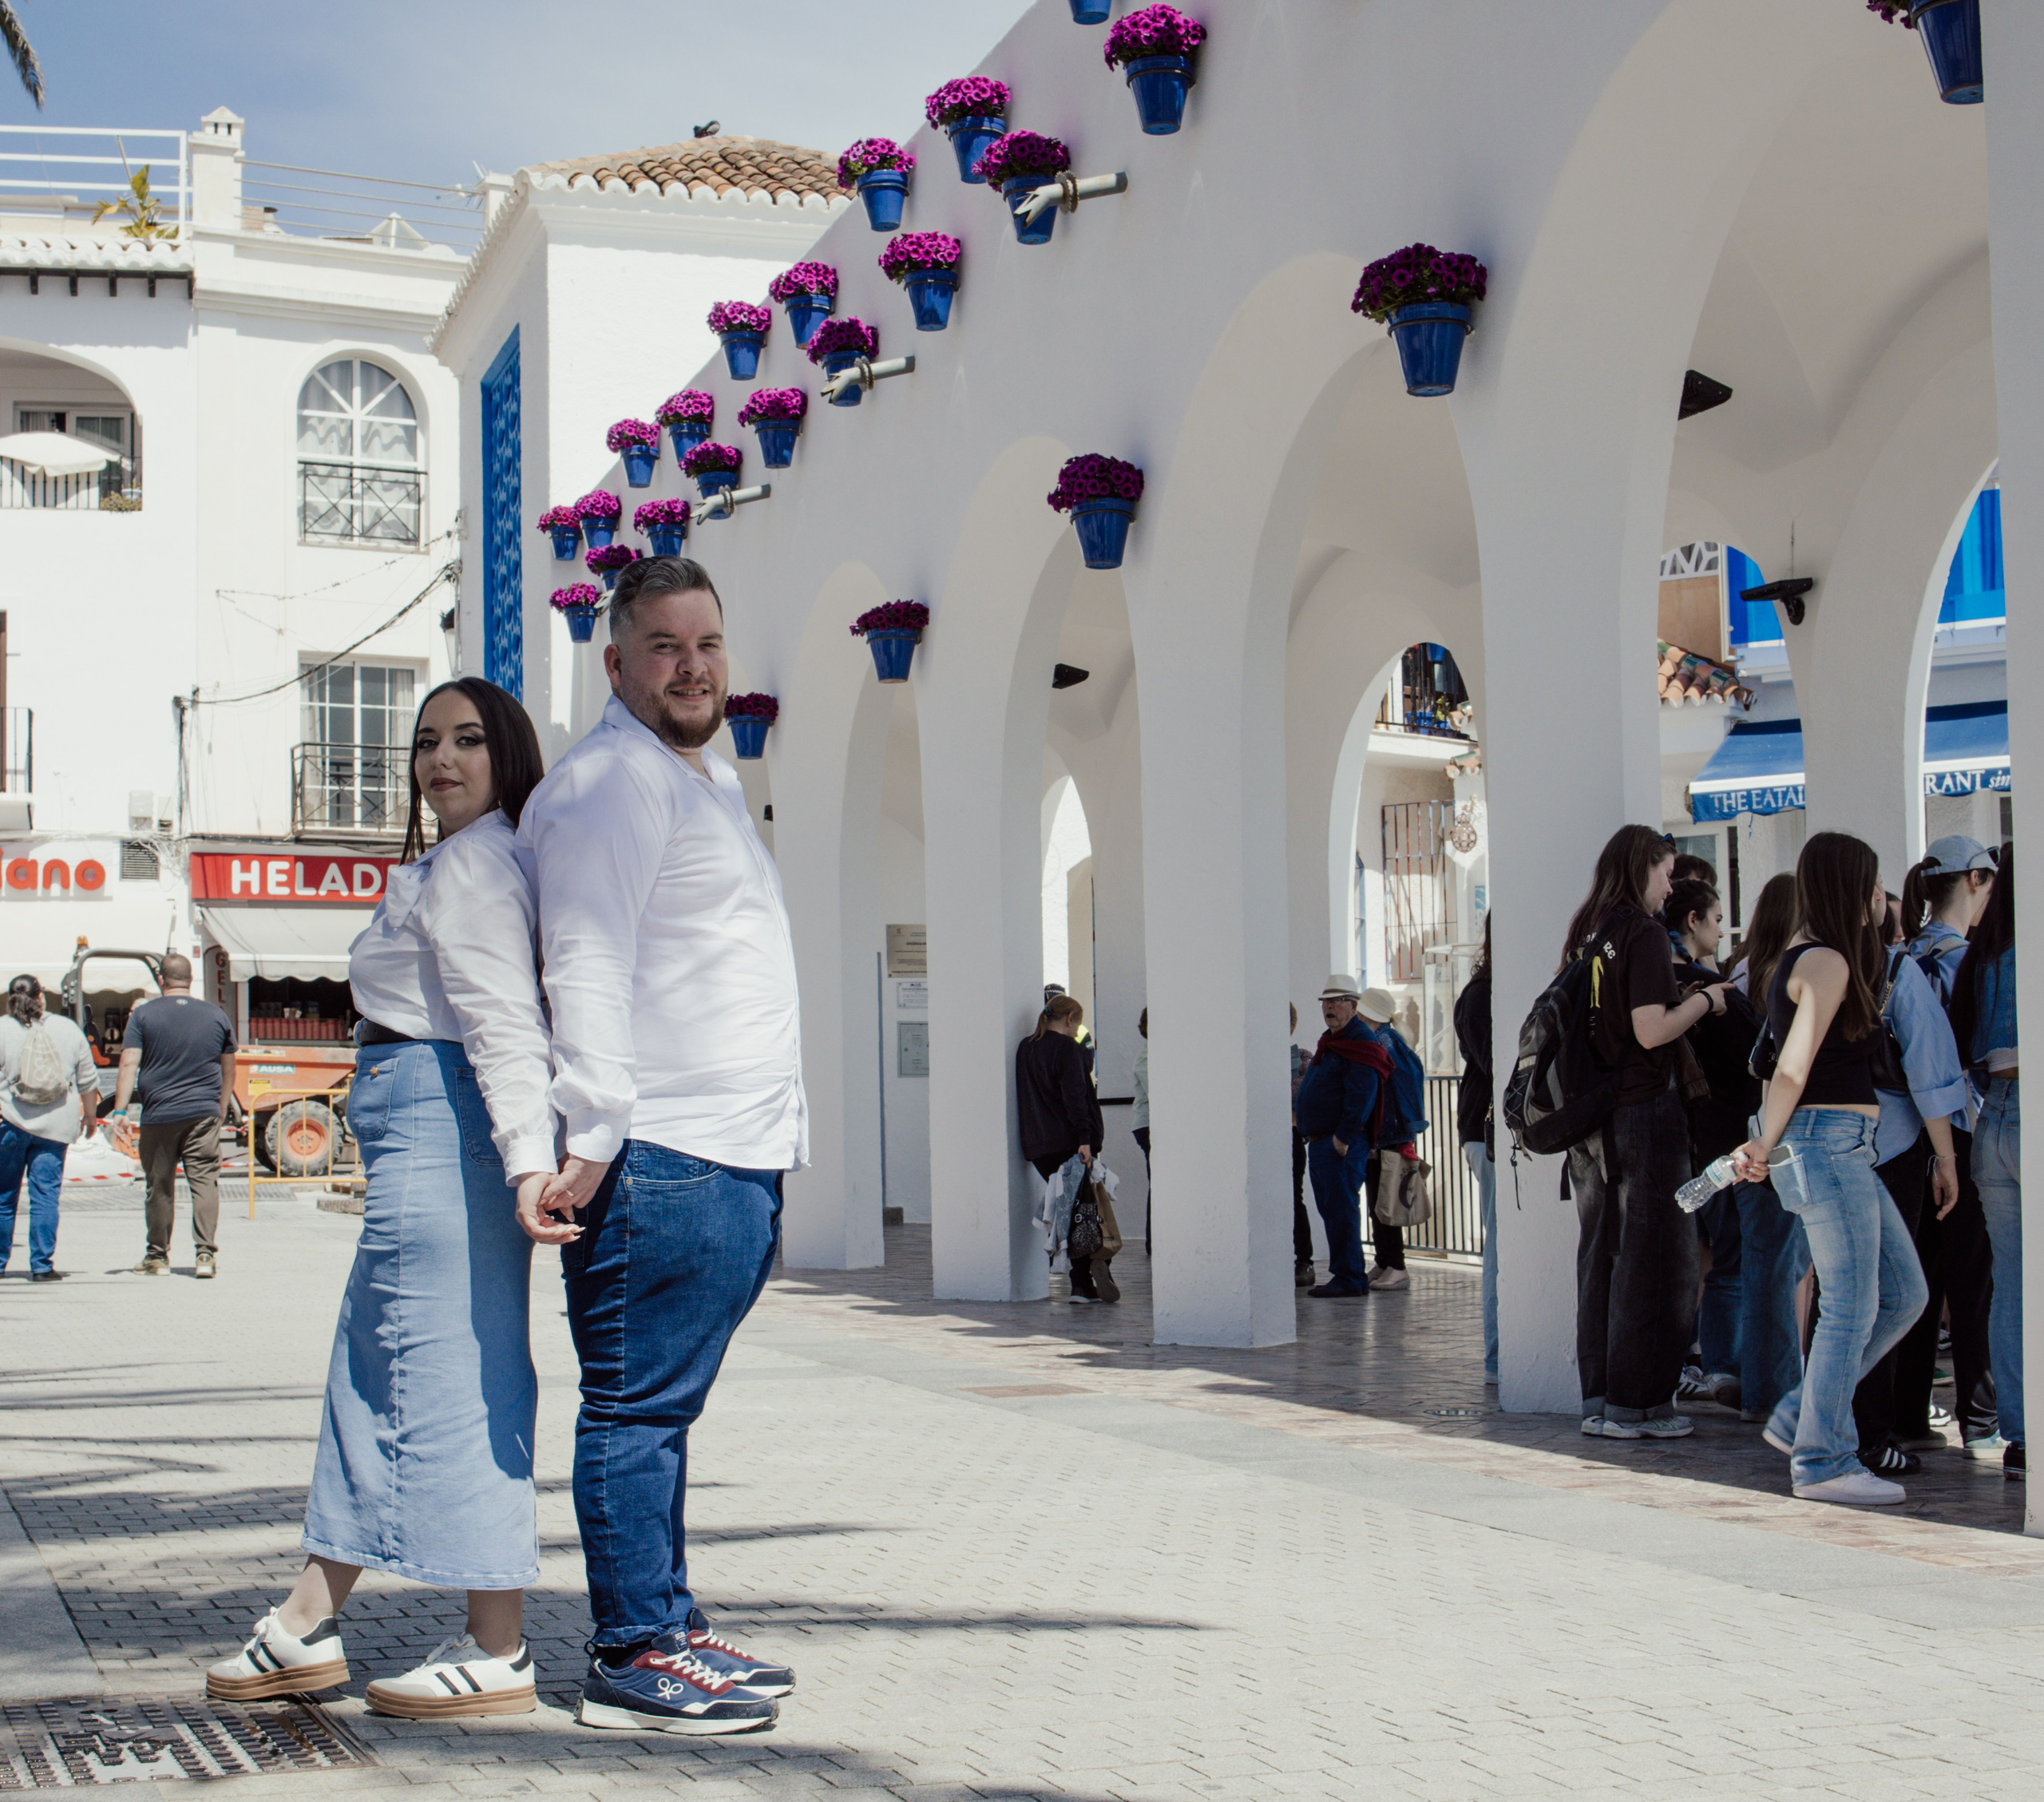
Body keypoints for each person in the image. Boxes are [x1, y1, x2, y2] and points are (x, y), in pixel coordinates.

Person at [207, 677, 560, 1718]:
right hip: (423, 1132)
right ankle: (303, 1622)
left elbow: (502, 1022)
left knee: (445, 1375)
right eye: (426, 743)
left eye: (466, 740)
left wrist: (530, 1163)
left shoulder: (480, 865)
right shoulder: (463, 862)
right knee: (380, 1372)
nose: (440, 760)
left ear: (507, 755)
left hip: (446, 1135)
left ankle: (496, 1645)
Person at [520, 556, 797, 1734]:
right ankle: (630, 1652)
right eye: (666, 647)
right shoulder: (607, 786)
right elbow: (583, 957)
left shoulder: (698, 776)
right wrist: (590, 1128)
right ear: (617, 661)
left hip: (730, 1147)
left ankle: (669, 1619)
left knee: (664, 1410)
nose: (693, 666)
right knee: (634, 1409)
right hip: (667, 1153)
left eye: (708, 644)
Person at [1734, 831, 1929, 1506]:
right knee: (1854, 1301)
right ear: (1854, 887)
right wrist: (1764, 1144)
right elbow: (1791, 1067)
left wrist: (1766, 1139)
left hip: (1834, 1145)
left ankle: (1801, 1416)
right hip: (1828, 1141)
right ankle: (1822, 1460)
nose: (1881, 900)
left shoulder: (1812, 957)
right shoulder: (1827, 963)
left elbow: (1778, 1064)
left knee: (1902, 1294)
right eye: (1873, 886)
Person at [1563, 826, 1724, 1441]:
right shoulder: (1643, 932)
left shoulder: (1590, 930)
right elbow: (1652, 1029)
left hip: (1594, 1117)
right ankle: (1641, 1403)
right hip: (1645, 1111)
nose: (1671, 885)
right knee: (1658, 1258)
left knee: (1603, 1255)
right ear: (1642, 870)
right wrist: (1707, 1002)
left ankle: (1603, 1398)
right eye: (1665, 871)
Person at [1849, 882, 1969, 1479]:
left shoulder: (1801, 961)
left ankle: (1826, 1421)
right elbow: (1929, 1069)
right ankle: (1863, 1431)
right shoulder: (1892, 968)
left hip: (1826, 1149)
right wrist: (1945, 1157)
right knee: (1898, 1294)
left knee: (1841, 1296)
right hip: (1891, 1143)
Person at [1894, 837, 2001, 1458]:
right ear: (1977, 880)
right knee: (1973, 1281)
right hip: (1959, 1130)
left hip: (1910, 1138)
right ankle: (1980, 1414)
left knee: (1920, 1277)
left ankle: (1909, 1408)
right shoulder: (1968, 961)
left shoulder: (1904, 954)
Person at [1663, 879, 1765, 1414]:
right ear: (1694, 921)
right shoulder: (1714, 992)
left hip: (1672, 1139)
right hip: (1721, 1141)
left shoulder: (1657, 984)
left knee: (1686, 1257)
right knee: (1728, 1258)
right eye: (1717, 916)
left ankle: (1684, 1360)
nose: (1722, 927)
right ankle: (1720, 1364)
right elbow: (1754, 1061)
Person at [1949, 842, 2022, 1482]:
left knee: (2012, 1286)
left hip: (1990, 1118)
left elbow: (1965, 1050)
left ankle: (2021, 1434)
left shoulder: (1981, 957)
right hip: (2028, 1112)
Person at [113, 954, 236, 1278]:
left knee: (159, 1186)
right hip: (204, 1113)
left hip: (160, 1114)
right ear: (190, 979)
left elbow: (129, 1062)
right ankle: (206, 1255)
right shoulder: (216, 1015)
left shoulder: (143, 1015)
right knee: (205, 1183)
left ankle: (157, 1257)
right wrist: (221, 1105)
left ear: (161, 980)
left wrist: (121, 1111)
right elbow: (229, 1066)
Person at [0, 974, 98, 1282]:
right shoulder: (68, 1029)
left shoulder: (2, 1028)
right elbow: (87, 1079)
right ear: (41, 997)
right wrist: (91, 1118)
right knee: (45, 1196)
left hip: (10, 1124)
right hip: (55, 1128)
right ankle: (42, 1266)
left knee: (4, 1198)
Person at [1295, 975, 1387, 1300]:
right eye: (1325, 1002)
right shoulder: (1333, 1041)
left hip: (1338, 1145)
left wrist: (1343, 1139)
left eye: (1336, 1001)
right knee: (1333, 1210)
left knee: (1341, 1211)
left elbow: (1362, 1094)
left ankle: (1348, 1277)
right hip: (1322, 1142)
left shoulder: (1359, 1044)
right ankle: (1351, 1275)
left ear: (1353, 1005)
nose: (1329, 1007)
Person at [1017, 992, 1112, 1301]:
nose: (1076, 1031)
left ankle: (1087, 1277)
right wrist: (1085, 1140)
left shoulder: (1026, 1048)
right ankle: (1086, 1278)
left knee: (1071, 1210)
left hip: (1039, 1145)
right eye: (1077, 1024)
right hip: (1071, 1143)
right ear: (1070, 1018)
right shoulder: (1068, 1049)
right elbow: (1076, 1099)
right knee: (1083, 1211)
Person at [1455, 918, 1498, 1383]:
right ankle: (1498, 1357)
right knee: (1501, 1245)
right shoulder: (1483, 994)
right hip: (1487, 1131)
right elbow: (1494, 1061)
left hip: (1485, 1128)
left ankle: (1500, 1357)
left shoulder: (1483, 990)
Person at [1360, 987, 1421, 1291]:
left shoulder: (1384, 1042)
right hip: (1390, 1133)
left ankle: (1395, 1264)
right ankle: (1385, 1261)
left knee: (1383, 1201)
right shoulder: (1388, 1038)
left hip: (1389, 1134)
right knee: (1379, 1200)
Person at [1289, 1004, 1314, 1286]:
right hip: (1285, 1132)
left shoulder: (1304, 1057)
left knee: (1293, 1197)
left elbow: (1302, 1094)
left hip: (1291, 1134)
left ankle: (1303, 1260)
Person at [1131, 1006, 1151, 1255]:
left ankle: (1155, 1242)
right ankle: (1154, 1242)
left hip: (1147, 1123)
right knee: (1158, 1183)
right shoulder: (1147, 1058)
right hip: (1148, 1124)